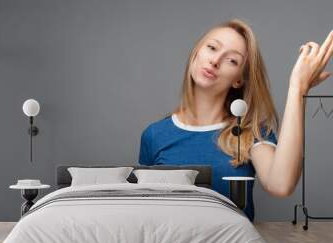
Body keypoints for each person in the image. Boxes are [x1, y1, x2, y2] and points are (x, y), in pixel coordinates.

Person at [138, 18, 333, 221]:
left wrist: (297, 89)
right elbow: (145, 211)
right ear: (196, 53)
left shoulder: (251, 132)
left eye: (232, 60)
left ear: (238, 79)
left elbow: (281, 185)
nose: (215, 61)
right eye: (212, 48)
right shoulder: (154, 135)